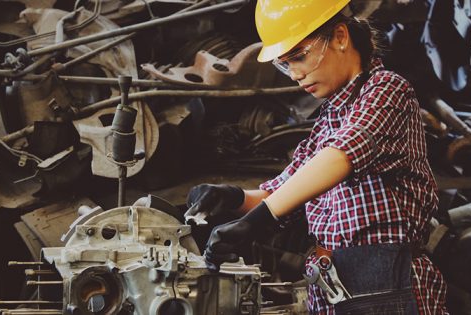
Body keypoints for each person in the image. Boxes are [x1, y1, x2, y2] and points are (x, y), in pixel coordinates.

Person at [184, 0, 448, 314]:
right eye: (285, 64)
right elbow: (285, 192)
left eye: (299, 57)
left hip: (384, 282)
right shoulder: (328, 119)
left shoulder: (387, 90)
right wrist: (231, 197)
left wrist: (258, 219)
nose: (294, 74)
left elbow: (341, 156)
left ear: (339, 37)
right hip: (330, 282)